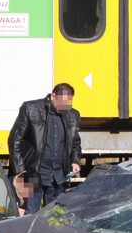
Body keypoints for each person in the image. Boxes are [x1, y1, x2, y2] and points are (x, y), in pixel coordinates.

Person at [8, 83, 83, 215]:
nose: (65, 107)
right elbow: (15, 140)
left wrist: (75, 161)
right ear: (53, 96)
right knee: (29, 216)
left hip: (58, 177)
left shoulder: (73, 115)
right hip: (33, 173)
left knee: (56, 219)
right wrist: (20, 171)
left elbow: (75, 143)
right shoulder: (31, 109)